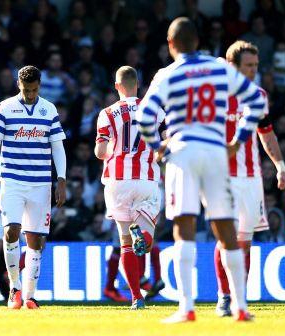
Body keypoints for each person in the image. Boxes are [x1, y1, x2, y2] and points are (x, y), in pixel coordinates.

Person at [137, 17, 266, 323]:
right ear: (198, 41)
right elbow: (256, 103)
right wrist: (238, 140)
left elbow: (144, 118)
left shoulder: (168, 74)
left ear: (171, 45)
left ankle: (187, 307)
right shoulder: (220, 67)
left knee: (185, 226)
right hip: (217, 152)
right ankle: (241, 307)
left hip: (184, 152)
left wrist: (158, 146)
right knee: (225, 228)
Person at [214, 40, 285, 317]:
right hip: (221, 178)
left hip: (251, 178)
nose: (253, 71)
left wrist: (279, 165)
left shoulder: (259, 95)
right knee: (227, 239)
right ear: (233, 65)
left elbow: (266, 134)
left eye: (256, 66)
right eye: (248, 66)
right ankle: (224, 297)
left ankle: (238, 299)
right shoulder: (214, 95)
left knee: (244, 242)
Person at [0, 65, 67, 309]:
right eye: (25, 89)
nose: (29, 94)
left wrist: (60, 179)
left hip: (41, 182)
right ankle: (14, 288)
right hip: (11, 180)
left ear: (39, 85)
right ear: (18, 85)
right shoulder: (5, 107)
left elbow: (58, 147)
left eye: (33, 90)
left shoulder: (48, 109)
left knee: (35, 239)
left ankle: (30, 295)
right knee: (11, 230)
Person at [94, 66, 165, 309]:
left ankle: (136, 298)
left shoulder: (107, 113)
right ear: (138, 84)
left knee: (124, 242)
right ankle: (141, 234)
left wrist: (111, 149)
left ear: (117, 86)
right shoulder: (154, 111)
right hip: (145, 179)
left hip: (116, 181)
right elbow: (164, 145)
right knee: (146, 240)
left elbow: (100, 152)